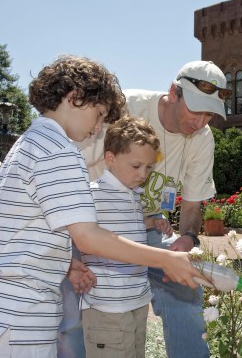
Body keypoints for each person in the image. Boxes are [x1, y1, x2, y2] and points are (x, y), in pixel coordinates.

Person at [0, 55, 201, 357]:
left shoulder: (33, 141)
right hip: (21, 314)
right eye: (100, 114)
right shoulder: (60, 150)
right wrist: (163, 259)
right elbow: (88, 237)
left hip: (1, 309)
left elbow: (31, 229)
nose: (100, 127)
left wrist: (69, 264)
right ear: (75, 98)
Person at [76, 60, 230, 358]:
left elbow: (193, 204)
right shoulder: (126, 106)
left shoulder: (202, 138)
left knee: (187, 285)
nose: (200, 122)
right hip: (93, 220)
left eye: (209, 114)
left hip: (148, 224)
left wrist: (186, 240)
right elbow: (73, 167)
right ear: (174, 93)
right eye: (196, 110)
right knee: (76, 299)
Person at [80, 116, 172, 357]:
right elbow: (74, 236)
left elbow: (125, 225)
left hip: (136, 300)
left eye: (149, 167)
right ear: (110, 159)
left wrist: (152, 222)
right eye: (136, 166)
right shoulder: (92, 195)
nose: (143, 174)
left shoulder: (132, 193)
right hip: (106, 305)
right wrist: (73, 267)